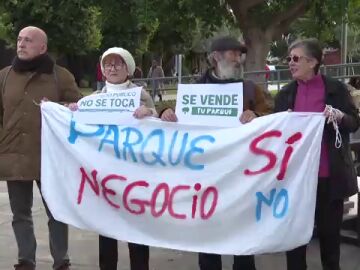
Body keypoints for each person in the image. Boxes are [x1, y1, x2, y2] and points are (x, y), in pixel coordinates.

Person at [161, 36, 272, 270]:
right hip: (205, 178)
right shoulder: (195, 90)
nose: (238, 59)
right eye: (232, 53)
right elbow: (178, 121)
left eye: (239, 54)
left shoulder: (250, 89)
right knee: (208, 239)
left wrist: (257, 117)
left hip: (241, 177)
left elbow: (272, 117)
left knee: (242, 238)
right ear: (215, 57)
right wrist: (166, 112)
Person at [0, 26, 82, 270]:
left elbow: (77, 108)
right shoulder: (4, 76)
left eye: (28, 40)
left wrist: (64, 107)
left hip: (50, 157)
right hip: (15, 155)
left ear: (42, 47)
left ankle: (61, 261)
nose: (21, 44)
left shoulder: (60, 76)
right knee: (20, 215)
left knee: (57, 213)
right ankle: (26, 260)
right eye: (19, 39)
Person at [274, 38, 360, 270]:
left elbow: (354, 123)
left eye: (295, 59)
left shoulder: (336, 89)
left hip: (328, 177)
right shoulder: (285, 94)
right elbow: (274, 133)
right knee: (294, 239)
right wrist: (284, 122)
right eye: (288, 59)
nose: (290, 64)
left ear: (312, 62)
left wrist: (340, 116)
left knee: (330, 238)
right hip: (296, 178)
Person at [89, 47, 157, 270]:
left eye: (118, 64)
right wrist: (72, 111)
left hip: (134, 176)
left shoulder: (141, 94)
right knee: (107, 231)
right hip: (106, 175)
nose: (113, 68)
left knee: (136, 230)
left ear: (128, 68)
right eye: (108, 64)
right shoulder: (95, 99)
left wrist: (149, 113)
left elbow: (158, 125)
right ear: (103, 70)